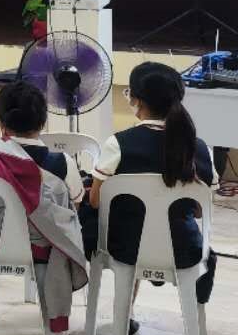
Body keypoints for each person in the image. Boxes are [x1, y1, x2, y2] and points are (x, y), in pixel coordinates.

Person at [0, 80, 89, 335]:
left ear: (0, 120)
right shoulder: (62, 163)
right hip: (43, 249)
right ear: (43, 122)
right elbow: (73, 208)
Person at [85, 62, 217, 306]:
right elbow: (200, 211)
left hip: (126, 248)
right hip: (183, 249)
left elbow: (95, 201)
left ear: (137, 100)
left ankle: (126, 315)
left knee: (119, 221)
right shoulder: (199, 149)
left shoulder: (118, 144)